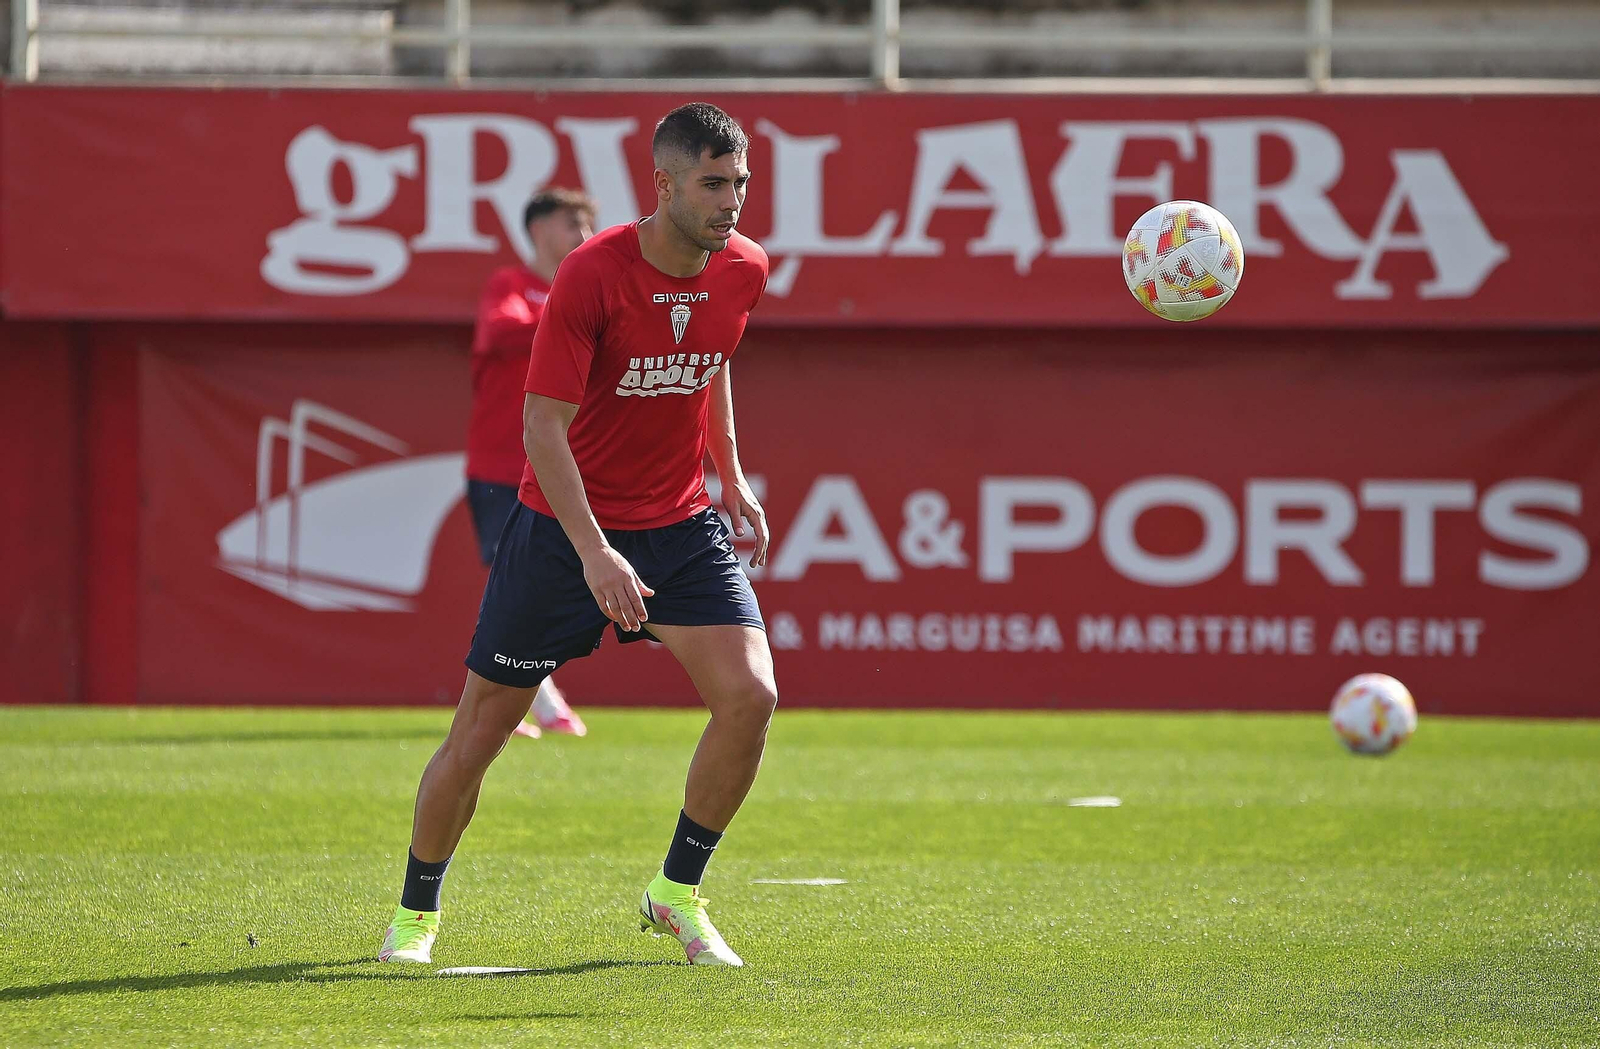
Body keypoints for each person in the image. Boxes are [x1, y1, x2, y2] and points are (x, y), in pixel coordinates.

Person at [381, 102, 775, 968]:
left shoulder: (744, 267)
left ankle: (675, 893)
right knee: (481, 731)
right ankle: (415, 912)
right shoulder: (590, 275)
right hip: (563, 535)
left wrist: (731, 472)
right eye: (713, 183)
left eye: (740, 182)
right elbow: (542, 430)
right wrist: (596, 551)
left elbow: (712, 361)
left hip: (679, 525)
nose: (731, 201)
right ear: (663, 183)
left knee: (751, 697)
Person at [465, 187, 597, 739]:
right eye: (573, 224)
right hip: (501, 464)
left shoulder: (592, 294)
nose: (585, 236)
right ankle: (534, 697)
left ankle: (525, 692)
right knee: (512, 578)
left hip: (564, 466)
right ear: (541, 228)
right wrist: (565, 318)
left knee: (557, 580)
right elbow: (500, 328)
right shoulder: (511, 285)